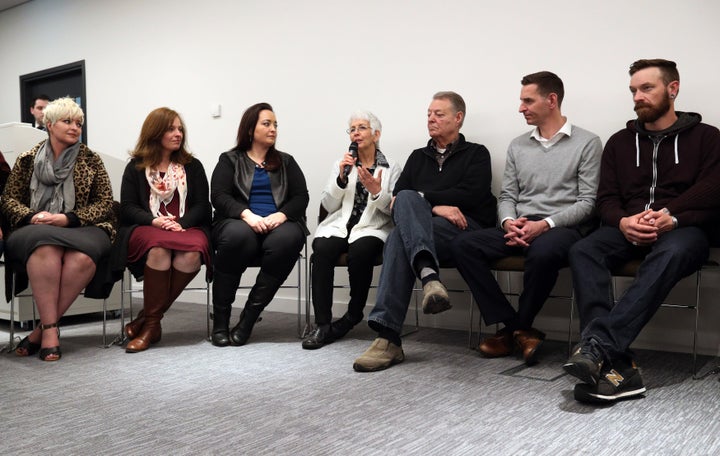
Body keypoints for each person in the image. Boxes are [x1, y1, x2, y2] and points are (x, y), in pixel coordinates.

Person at [564, 59, 720, 403]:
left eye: (646, 88)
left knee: (674, 250)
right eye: (633, 90)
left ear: (673, 89)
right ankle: (617, 367)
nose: (638, 96)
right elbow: (605, 198)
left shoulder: (708, 138)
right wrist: (622, 221)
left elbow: (713, 191)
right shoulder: (620, 142)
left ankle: (597, 346)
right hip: (629, 226)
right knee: (584, 249)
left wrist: (672, 214)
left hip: (684, 230)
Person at [450, 71, 602, 365]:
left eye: (528, 101)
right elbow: (507, 196)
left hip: (562, 226)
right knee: (462, 245)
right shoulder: (518, 145)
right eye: (522, 101)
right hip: (521, 224)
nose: (521, 108)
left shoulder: (587, 142)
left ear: (552, 100)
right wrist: (509, 222)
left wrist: (543, 225)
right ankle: (517, 327)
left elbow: (588, 203)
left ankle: (513, 329)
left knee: (542, 251)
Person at [353, 91, 496, 372]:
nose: (431, 118)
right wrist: (436, 207)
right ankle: (429, 276)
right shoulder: (418, 157)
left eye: (439, 114)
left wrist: (424, 200)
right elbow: (397, 201)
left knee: (400, 230)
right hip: (429, 229)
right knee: (401, 221)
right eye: (429, 113)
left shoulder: (477, 153)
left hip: (466, 227)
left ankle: (388, 337)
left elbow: (473, 195)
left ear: (458, 118)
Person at [2, 97, 116, 361]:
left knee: (82, 258)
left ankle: (41, 331)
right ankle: (51, 331)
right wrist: (32, 216)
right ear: (50, 125)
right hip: (36, 226)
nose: (75, 127)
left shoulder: (91, 159)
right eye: (67, 121)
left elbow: (105, 203)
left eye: (78, 123)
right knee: (46, 247)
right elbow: (8, 200)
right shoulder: (28, 159)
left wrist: (69, 219)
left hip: (83, 226)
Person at [210, 102, 309, 347]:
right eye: (266, 123)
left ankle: (248, 318)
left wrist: (282, 215)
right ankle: (220, 321)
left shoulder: (286, 161)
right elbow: (219, 196)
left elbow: (301, 197)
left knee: (288, 239)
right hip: (239, 222)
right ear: (250, 128)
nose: (273, 129)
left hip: (278, 224)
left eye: (275, 124)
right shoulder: (230, 160)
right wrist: (246, 214)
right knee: (237, 236)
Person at [301, 111, 401, 350]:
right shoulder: (341, 164)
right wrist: (341, 179)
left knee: (361, 251)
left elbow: (393, 211)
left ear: (376, 134)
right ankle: (323, 325)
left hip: (372, 228)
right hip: (340, 227)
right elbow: (327, 205)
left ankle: (353, 315)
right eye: (352, 129)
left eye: (362, 128)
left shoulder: (391, 168)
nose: (356, 133)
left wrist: (377, 191)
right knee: (322, 248)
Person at [115, 107, 212, 353]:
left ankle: (147, 322)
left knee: (192, 255)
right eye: (171, 128)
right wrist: (154, 221)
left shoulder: (193, 166)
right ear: (155, 131)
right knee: (159, 250)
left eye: (180, 129)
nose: (178, 133)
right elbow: (127, 208)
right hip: (147, 226)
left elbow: (202, 205)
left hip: (186, 226)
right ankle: (150, 326)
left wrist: (182, 223)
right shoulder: (136, 167)